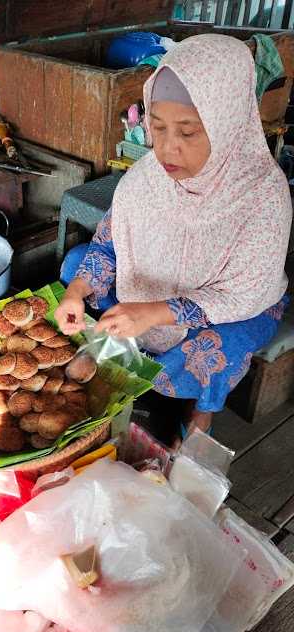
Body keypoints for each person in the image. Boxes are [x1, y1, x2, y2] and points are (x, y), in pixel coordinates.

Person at [55, 34, 291, 444]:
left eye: (188, 132)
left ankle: (200, 414)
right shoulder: (146, 177)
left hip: (227, 308)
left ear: (228, 122)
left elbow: (241, 295)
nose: (167, 148)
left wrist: (155, 313)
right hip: (148, 292)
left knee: (222, 345)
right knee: (77, 265)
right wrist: (77, 290)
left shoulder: (262, 194)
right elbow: (109, 243)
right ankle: (119, 352)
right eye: (158, 126)